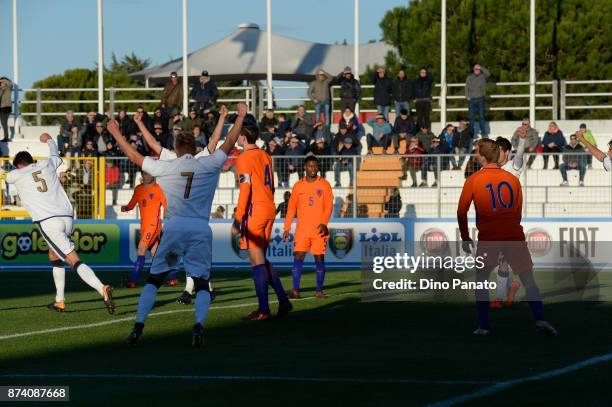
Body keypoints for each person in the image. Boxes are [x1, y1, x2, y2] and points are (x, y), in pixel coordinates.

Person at [108, 103, 247, 348]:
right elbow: (229, 141)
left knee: (154, 280)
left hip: (173, 229)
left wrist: (117, 133)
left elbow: (135, 156)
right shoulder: (208, 164)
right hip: (199, 229)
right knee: (202, 283)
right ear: (194, 148)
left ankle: (139, 326)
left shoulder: (167, 167)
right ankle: (198, 325)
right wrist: (240, 116)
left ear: (175, 148)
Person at [457, 138, 557, 337]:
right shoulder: (513, 180)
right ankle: (540, 319)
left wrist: (466, 237)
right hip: (513, 235)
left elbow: (462, 212)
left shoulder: (474, 180)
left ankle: (484, 326)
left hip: (489, 237)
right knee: (529, 280)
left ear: (482, 157)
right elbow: (517, 211)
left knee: (481, 281)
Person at [5, 134, 114, 313]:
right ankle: (59, 301)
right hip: (67, 217)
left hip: (49, 221)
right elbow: (56, 153)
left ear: (19, 165)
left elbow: (7, 177)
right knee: (54, 256)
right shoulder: (47, 163)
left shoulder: (16, 174)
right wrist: (49, 139)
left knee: (73, 260)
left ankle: (102, 288)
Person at [136, 105, 228, 305]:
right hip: (194, 217)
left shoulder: (170, 159)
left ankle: (190, 290)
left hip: (179, 218)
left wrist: (139, 123)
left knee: (184, 254)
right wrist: (222, 118)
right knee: (193, 255)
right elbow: (214, 141)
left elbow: (152, 143)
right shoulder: (202, 160)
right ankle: (200, 289)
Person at [232, 115, 293, 321]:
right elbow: (273, 184)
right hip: (268, 207)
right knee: (262, 260)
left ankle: (263, 310)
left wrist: (238, 218)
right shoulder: (266, 155)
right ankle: (283, 301)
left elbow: (245, 189)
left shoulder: (243, 158)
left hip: (255, 211)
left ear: (242, 137)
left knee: (256, 262)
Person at [284, 155, 333, 299]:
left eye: (315, 166)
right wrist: (287, 228)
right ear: (305, 167)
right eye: (310, 166)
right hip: (302, 230)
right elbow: (291, 208)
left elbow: (328, 206)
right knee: (298, 256)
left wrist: (324, 223)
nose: (313, 168)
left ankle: (319, 290)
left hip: (319, 229)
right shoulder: (298, 185)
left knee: (319, 259)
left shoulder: (324, 184)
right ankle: (295, 290)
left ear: (318, 167)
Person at [490, 135, 527, 309]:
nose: (496, 153)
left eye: (499, 150)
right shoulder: (492, 170)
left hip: (509, 222)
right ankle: (511, 287)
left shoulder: (513, 166)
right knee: (496, 260)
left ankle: (498, 298)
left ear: (506, 152)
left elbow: (519, 155)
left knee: (503, 260)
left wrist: (522, 140)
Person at [121, 172, 167, 288]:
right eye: (144, 174)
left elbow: (167, 206)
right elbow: (132, 204)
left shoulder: (158, 189)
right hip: (144, 225)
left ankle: (133, 280)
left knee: (141, 249)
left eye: (148, 174)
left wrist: (168, 222)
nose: (146, 176)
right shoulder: (138, 189)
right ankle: (171, 277)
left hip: (153, 225)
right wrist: (125, 208)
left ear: (153, 175)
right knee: (155, 252)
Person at [465, 64, 491, 138]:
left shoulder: (483, 76)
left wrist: (481, 67)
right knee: (471, 117)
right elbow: (466, 87)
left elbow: (488, 74)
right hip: (471, 100)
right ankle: (471, 134)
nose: (477, 70)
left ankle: (483, 133)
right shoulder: (469, 77)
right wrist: (467, 96)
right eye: (476, 69)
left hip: (480, 99)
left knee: (482, 117)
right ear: (473, 70)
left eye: (478, 69)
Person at [0, 76, 12, 142]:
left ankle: (6, 137)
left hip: (6, 107)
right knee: (3, 123)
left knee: (4, 122)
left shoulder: (8, 88)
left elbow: (10, 84)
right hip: (2, 107)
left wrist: (3, 80)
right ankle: (6, 137)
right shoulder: (1, 89)